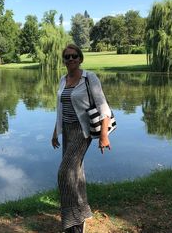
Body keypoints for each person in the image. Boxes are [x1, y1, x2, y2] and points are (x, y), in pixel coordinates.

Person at [51, 44, 112, 233]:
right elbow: (60, 108)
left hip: (82, 131)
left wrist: (104, 136)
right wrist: (55, 132)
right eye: (67, 57)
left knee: (65, 173)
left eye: (74, 56)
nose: (70, 60)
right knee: (76, 174)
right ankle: (83, 212)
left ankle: (73, 222)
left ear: (80, 58)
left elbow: (104, 108)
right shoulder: (63, 79)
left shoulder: (89, 78)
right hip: (67, 131)